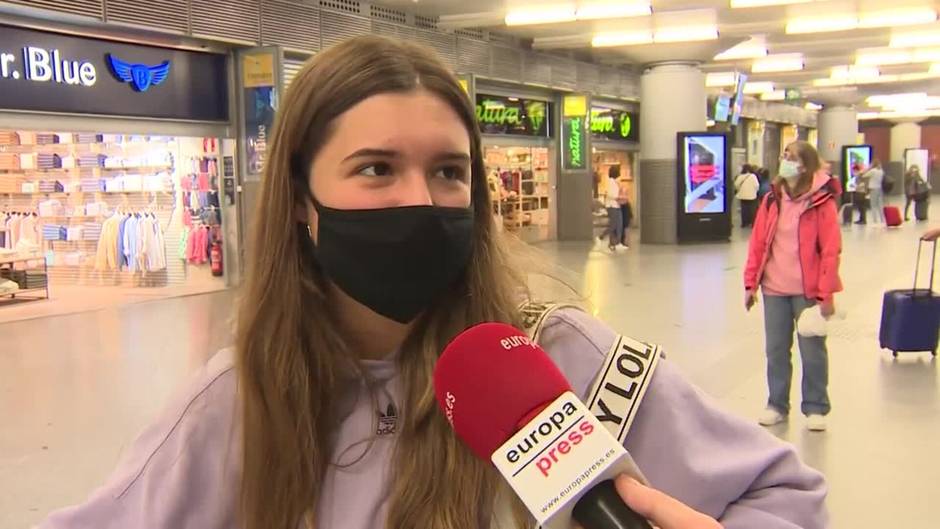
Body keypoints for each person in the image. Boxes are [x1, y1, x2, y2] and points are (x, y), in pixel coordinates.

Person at [37, 37, 827, 529]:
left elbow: (781, 493)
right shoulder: (238, 404)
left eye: (448, 171)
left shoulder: (561, 362)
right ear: (302, 203)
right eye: (376, 168)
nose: (421, 200)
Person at [745, 141, 842, 433]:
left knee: (812, 350)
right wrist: (750, 283)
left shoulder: (822, 202)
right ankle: (776, 404)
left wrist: (826, 293)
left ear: (805, 165)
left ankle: (816, 406)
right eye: (784, 154)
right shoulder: (771, 199)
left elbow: (830, 250)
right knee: (776, 350)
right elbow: (758, 243)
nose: (785, 159)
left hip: (807, 291)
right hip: (774, 288)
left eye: (792, 156)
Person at [604, 165, 624, 252]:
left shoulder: (615, 182)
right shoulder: (611, 182)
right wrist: (618, 197)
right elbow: (610, 194)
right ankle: (603, 237)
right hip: (612, 206)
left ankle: (617, 243)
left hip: (616, 205)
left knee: (619, 224)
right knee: (614, 225)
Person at [862, 159, 885, 225]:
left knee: (873, 205)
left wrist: (868, 168)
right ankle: (882, 220)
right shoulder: (881, 171)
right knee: (880, 205)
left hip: (873, 189)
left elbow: (864, 175)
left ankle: (875, 220)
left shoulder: (872, 171)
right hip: (880, 188)